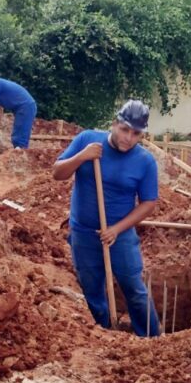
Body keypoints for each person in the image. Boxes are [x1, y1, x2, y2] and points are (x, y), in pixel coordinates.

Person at [52, 99, 161, 336]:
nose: (128, 138)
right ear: (113, 124)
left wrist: (117, 229)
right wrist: (82, 156)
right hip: (83, 233)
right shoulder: (86, 140)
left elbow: (149, 203)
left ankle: (153, 339)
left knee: (134, 289)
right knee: (92, 289)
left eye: (135, 133)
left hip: (119, 236)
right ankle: (103, 336)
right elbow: (57, 173)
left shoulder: (144, 162)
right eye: (124, 130)